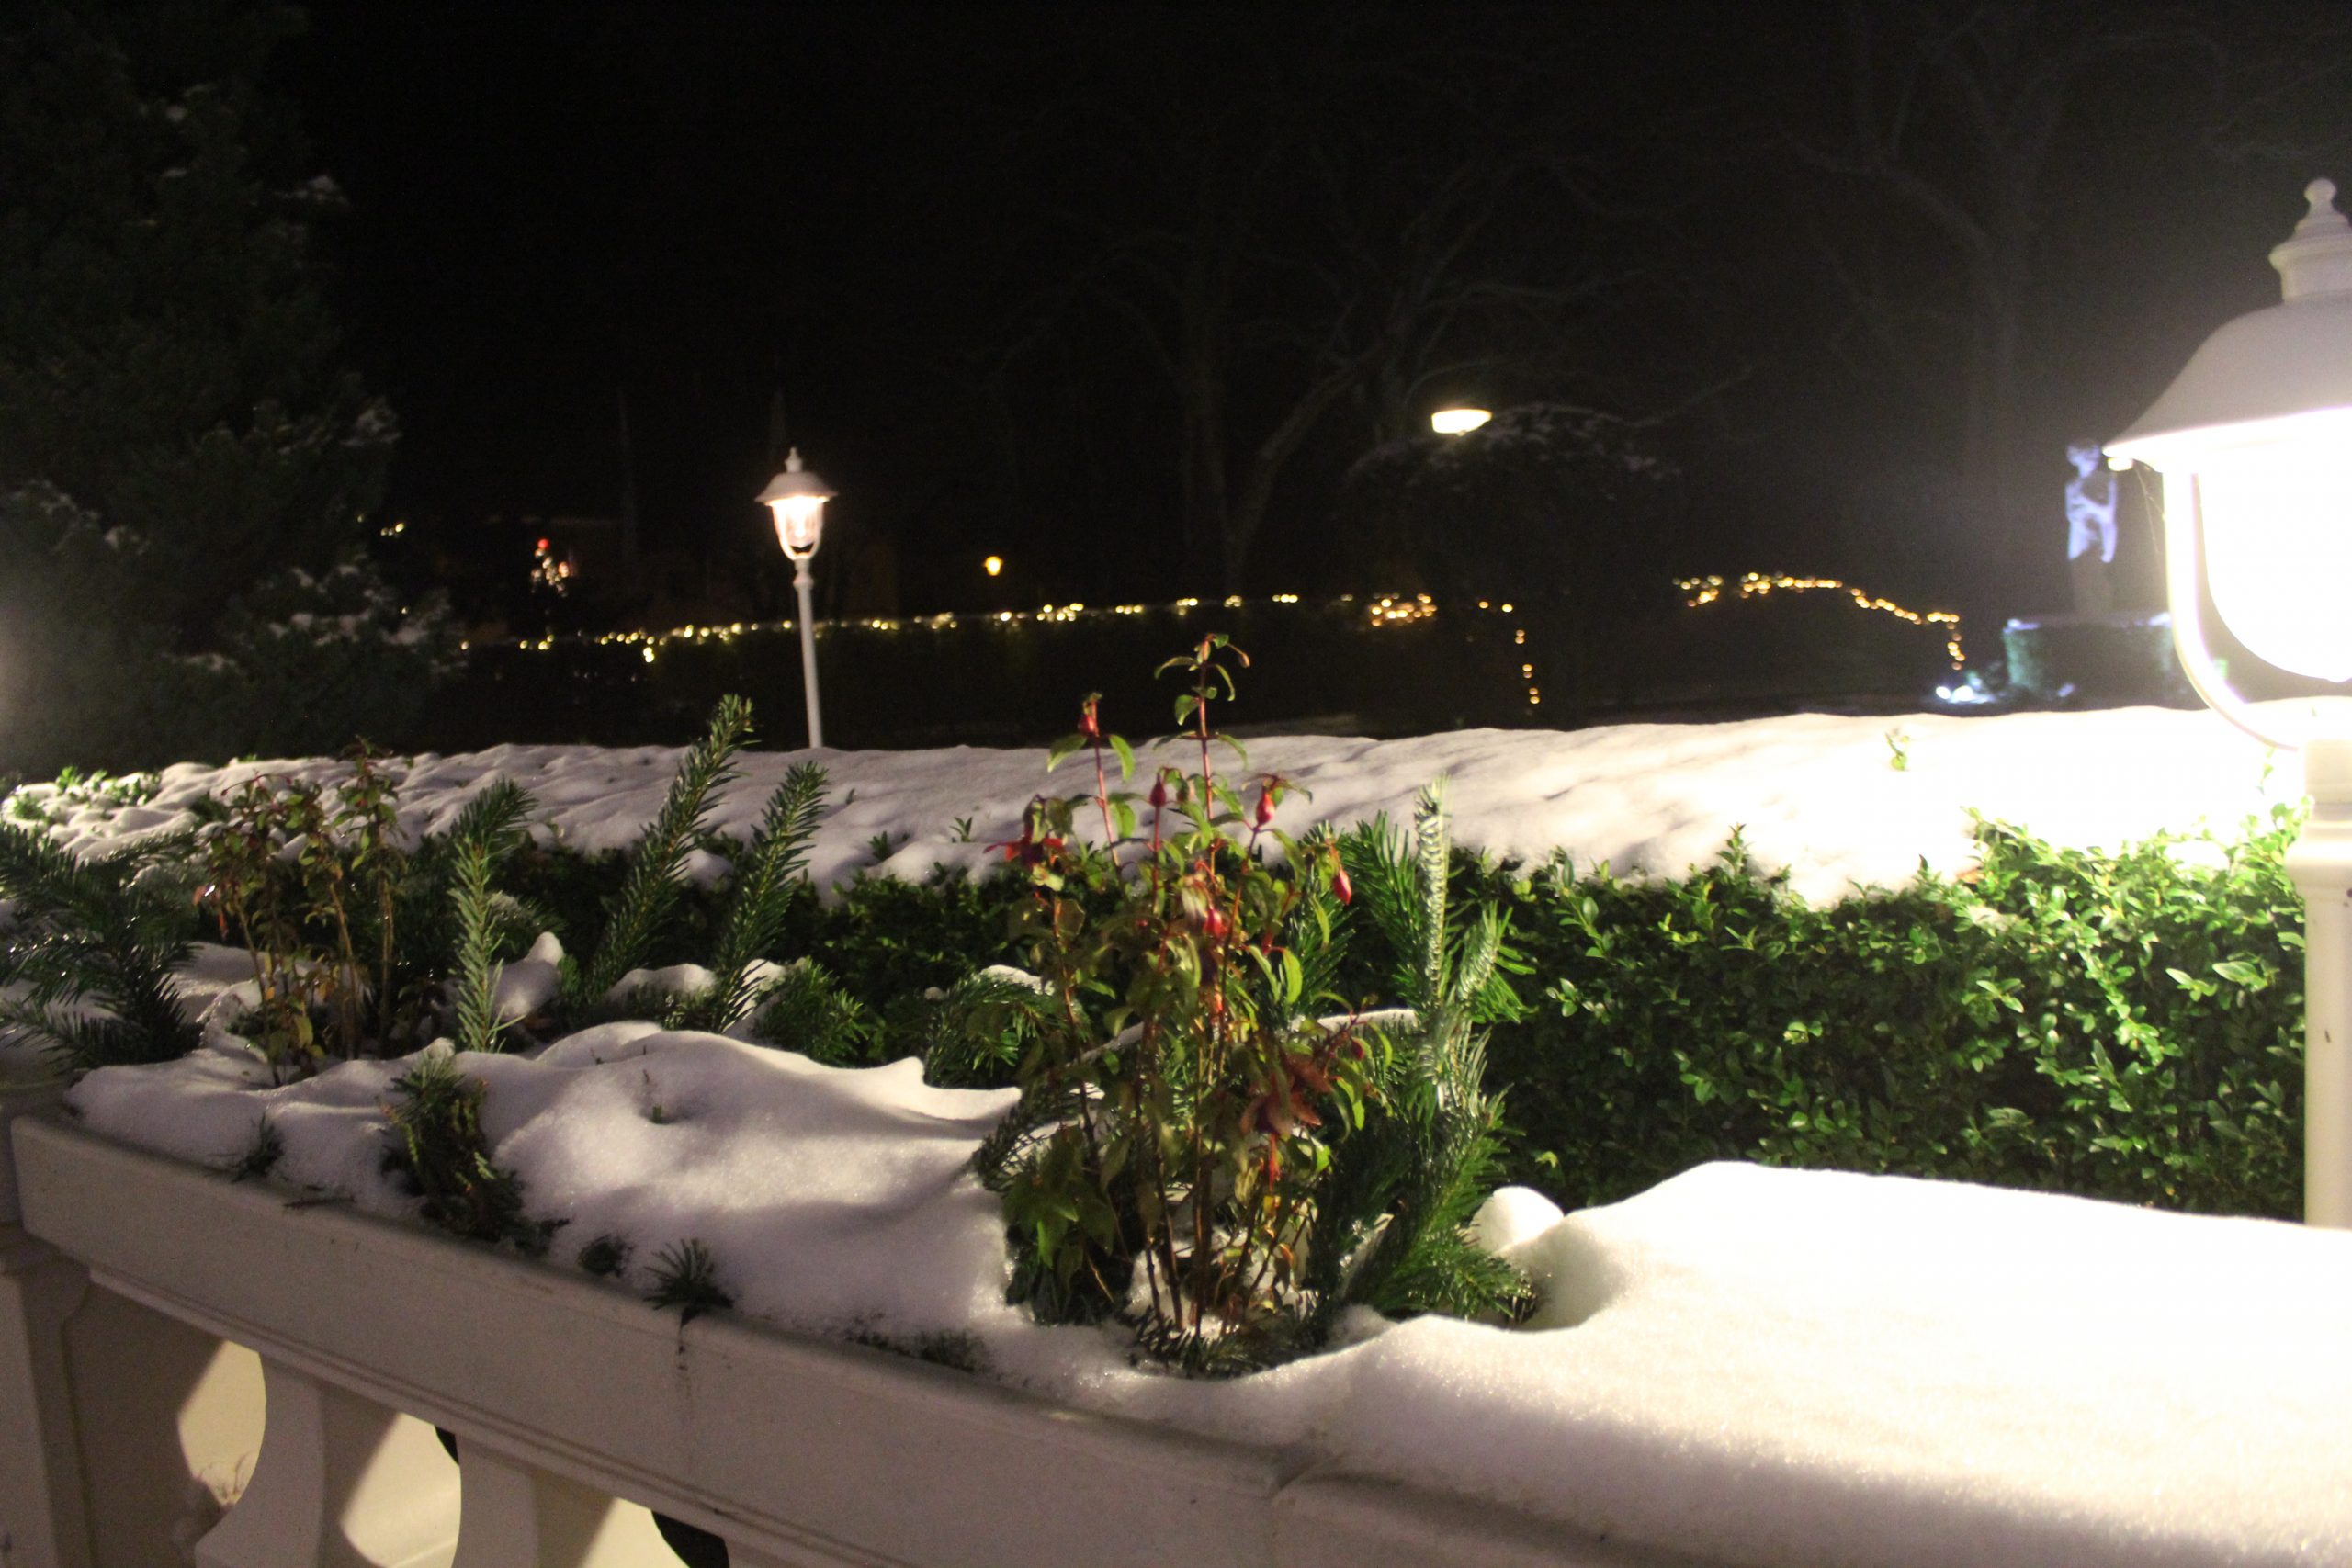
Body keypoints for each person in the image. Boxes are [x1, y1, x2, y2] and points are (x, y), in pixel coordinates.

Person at [2065, 439, 2118, 615]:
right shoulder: (2072, 485)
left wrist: (2085, 501)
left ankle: (2101, 618)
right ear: (2078, 458)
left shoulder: (2106, 480)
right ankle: (2086, 621)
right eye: (2088, 455)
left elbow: (2107, 513)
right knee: (2081, 581)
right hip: (2079, 536)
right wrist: (2084, 509)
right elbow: (2071, 514)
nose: (2093, 459)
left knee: (2098, 579)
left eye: (2095, 455)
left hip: (2099, 536)